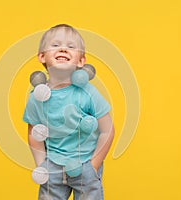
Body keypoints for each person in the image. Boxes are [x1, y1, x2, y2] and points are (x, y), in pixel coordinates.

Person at [23, 24, 114, 200]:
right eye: (55, 45)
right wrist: (41, 164)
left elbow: (107, 129)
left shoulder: (88, 93)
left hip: (85, 164)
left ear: (81, 61)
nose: (63, 48)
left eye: (71, 47)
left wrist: (93, 165)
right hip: (53, 167)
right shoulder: (37, 97)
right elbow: (34, 132)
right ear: (42, 56)